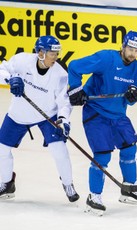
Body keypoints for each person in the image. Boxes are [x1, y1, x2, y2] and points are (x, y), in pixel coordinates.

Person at [67, 30, 137, 214]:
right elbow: (74, 66)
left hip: (118, 115)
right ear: (123, 46)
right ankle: (94, 197)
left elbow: (136, 94)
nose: (134, 54)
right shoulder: (106, 58)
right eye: (131, 49)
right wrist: (75, 88)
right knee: (102, 156)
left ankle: (128, 189)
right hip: (96, 113)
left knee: (129, 148)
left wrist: (134, 94)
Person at [0, 35, 79, 202]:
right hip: (18, 114)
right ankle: (7, 183)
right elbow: (2, 69)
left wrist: (63, 119)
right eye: (52, 54)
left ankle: (68, 184)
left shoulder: (60, 75)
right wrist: (10, 79)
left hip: (47, 115)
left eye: (57, 54)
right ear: (40, 53)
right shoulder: (22, 61)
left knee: (59, 149)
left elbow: (64, 102)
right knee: (1, 149)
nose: (55, 57)